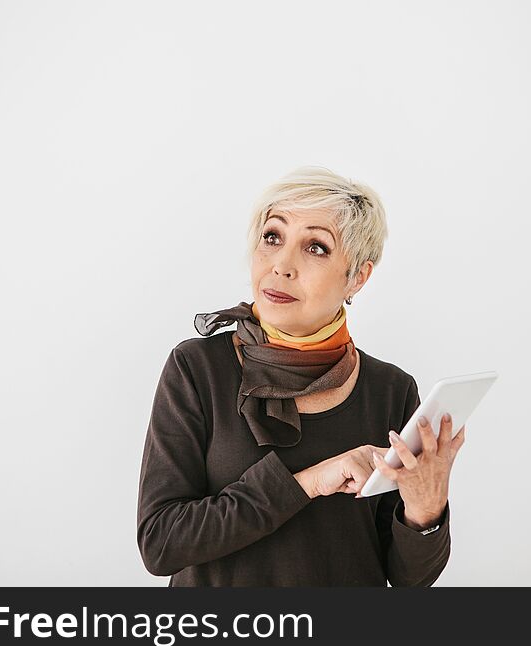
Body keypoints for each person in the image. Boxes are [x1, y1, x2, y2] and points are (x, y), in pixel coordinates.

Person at [136, 165, 465, 586]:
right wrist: (308, 483)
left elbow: (406, 578)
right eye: (272, 237)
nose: (281, 265)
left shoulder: (390, 390)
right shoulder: (197, 369)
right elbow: (161, 544)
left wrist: (426, 510)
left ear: (357, 278)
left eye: (316, 247)